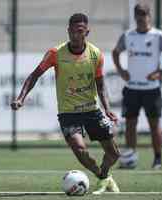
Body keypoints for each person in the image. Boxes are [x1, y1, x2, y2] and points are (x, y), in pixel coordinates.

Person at [11, 13, 120, 194]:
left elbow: (100, 85)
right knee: (79, 148)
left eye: (80, 31)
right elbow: (34, 75)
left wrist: (107, 109)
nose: (76, 35)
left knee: (114, 154)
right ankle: (102, 177)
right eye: (73, 31)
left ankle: (105, 175)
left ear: (87, 32)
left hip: (92, 110)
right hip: (68, 113)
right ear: (68, 31)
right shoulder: (55, 53)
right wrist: (21, 98)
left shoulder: (95, 55)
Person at [112, 3, 162, 170]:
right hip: (132, 88)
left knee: (154, 125)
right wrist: (121, 71)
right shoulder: (128, 36)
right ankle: (131, 157)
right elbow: (115, 52)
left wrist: (161, 73)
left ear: (149, 16)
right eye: (138, 14)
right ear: (135, 17)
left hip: (151, 89)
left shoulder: (158, 36)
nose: (141, 18)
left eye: (144, 14)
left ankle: (158, 159)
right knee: (130, 123)